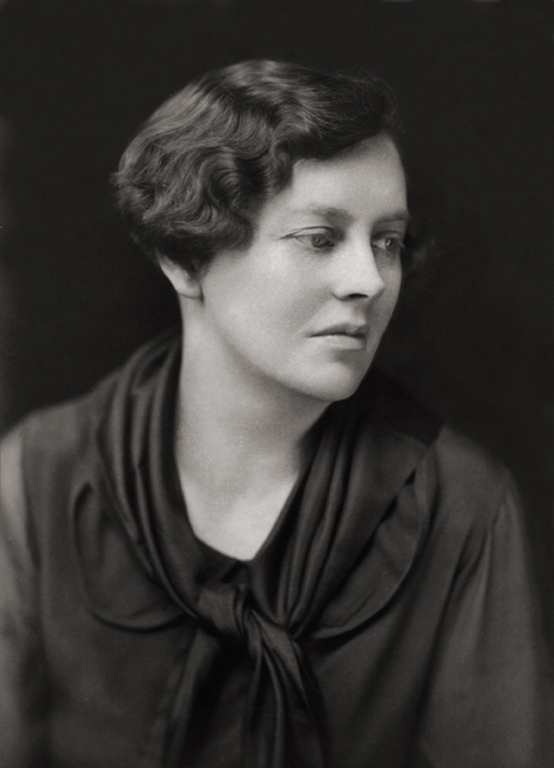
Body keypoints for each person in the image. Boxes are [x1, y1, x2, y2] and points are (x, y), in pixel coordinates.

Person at [0, 59, 552, 768]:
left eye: (386, 240)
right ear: (184, 256)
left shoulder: (461, 505)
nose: (369, 280)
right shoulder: (38, 480)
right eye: (320, 237)